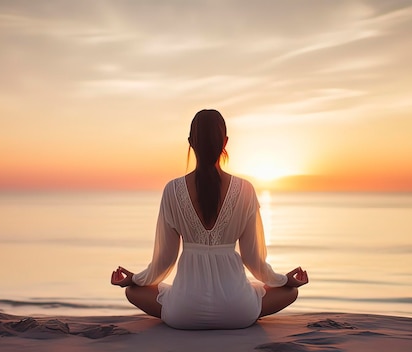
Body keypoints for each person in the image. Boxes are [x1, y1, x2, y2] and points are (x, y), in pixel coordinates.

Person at [111, 109, 308, 329]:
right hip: (238, 312)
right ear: (225, 141)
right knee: (290, 292)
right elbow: (253, 261)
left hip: (184, 313)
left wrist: (135, 280)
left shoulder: (172, 190)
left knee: (132, 292)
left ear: (190, 142)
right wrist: (283, 280)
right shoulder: (245, 189)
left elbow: (164, 261)